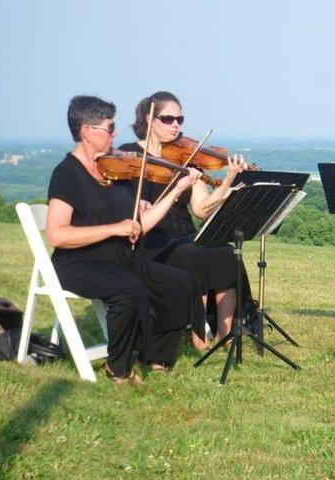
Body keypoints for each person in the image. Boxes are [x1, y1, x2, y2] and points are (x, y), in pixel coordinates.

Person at [46, 95, 203, 384]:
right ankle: (118, 367)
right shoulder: (67, 175)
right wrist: (114, 229)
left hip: (121, 257)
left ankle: (156, 358)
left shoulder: (114, 172)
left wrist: (178, 188)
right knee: (131, 290)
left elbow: (139, 225)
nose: (115, 133)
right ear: (86, 131)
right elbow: (57, 233)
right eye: (109, 127)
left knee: (182, 284)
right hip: (79, 263)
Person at [118, 91, 253, 349]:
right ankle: (199, 335)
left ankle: (226, 333)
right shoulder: (130, 156)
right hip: (151, 239)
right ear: (149, 119)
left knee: (225, 252)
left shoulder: (184, 157)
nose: (176, 125)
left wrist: (227, 182)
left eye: (180, 119)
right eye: (168, 119)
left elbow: (202, 210)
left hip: (183, 234)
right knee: (189, 254)